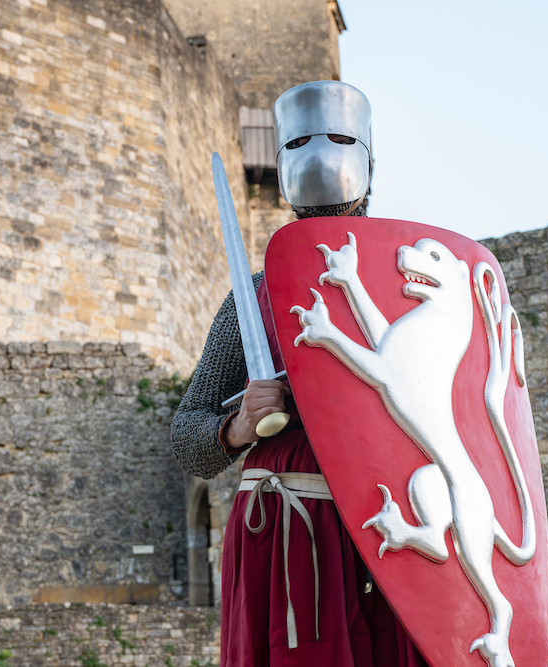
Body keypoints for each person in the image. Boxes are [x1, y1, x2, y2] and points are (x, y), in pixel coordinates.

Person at [171, 81, 427, 667]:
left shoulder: (410, 283)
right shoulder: (250, 300)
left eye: (339, 138)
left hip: (391, 528)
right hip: (283, 536)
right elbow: (188, 439)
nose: (322, 154)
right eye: (305, 142)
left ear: (367, 157)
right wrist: (237, 426)